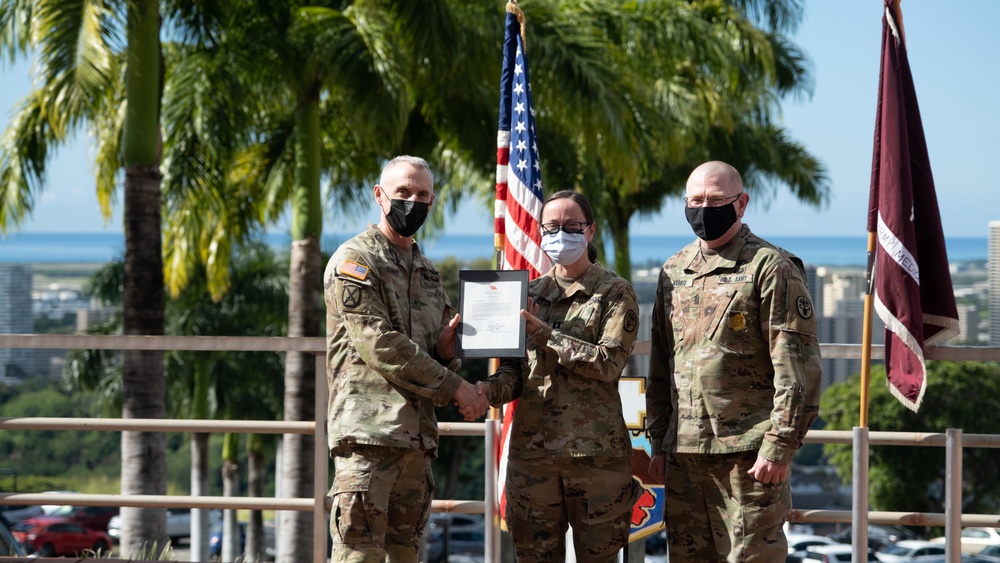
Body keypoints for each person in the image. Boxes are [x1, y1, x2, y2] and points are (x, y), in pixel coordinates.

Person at [645, 160, 822, 561]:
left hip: (749, 456)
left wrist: (779, 445)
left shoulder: (771, 268)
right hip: (684, 456)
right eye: (696, 200)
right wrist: (659, 442)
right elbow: (661, 365)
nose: (704, 208)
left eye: (716, 199)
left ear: (741, 204)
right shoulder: (674, 270)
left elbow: (797, 366)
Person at [323, 155, 487, 562]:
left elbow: (435, 354)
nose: (412, 202)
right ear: (380, 196)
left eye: (422, 195)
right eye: (403, 192)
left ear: (431, 204)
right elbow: (380, 344)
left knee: (406, 557)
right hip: (368, 440)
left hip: (417, 443)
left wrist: (449, 352)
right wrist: (457, 388)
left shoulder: (429, 274)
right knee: (358, 556)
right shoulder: (355, 262)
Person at [475, 190, 641, 563]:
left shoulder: (615, 293)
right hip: (533, 459)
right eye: (551, 227)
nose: (559, 234)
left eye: (570, 226)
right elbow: (515, 374)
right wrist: (483, 391)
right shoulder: (528, 294)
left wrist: (544, 334)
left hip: (595, 459)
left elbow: (607, 363)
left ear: (590, 231)